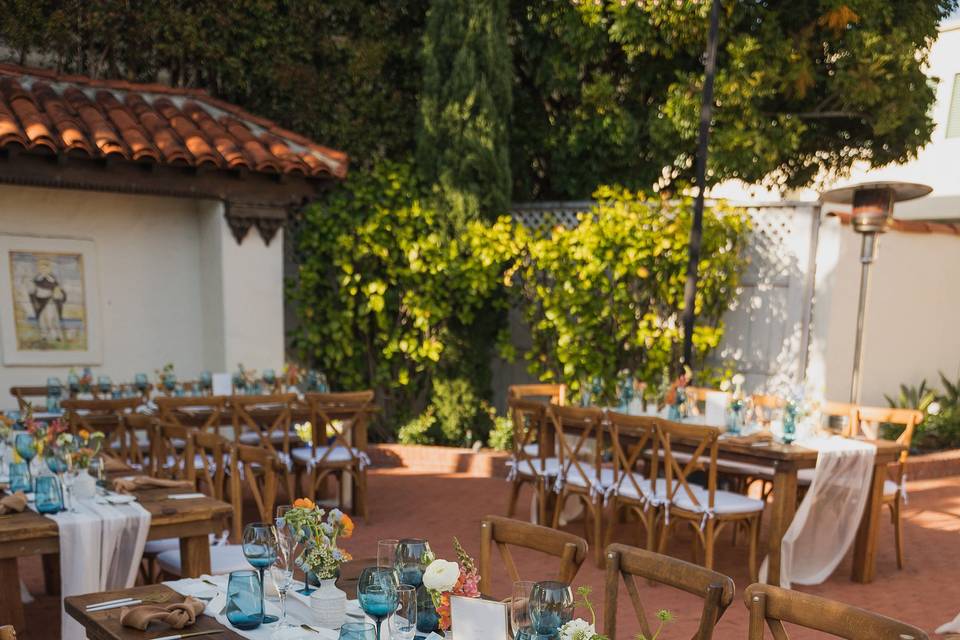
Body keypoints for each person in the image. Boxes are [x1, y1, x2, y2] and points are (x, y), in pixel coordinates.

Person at [29, 257, 66, 343]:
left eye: (45, 268)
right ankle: (44, 336)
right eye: (41, 268)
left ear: (49, 269)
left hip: (50, 301)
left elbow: (58, 289)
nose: (43, 270)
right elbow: (33, 291)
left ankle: (58, 336)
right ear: (39, 269)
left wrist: (58, 293)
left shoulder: (52, 279)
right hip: (40, 302)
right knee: (42, 319)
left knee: (53, 319)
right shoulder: (36, 279)